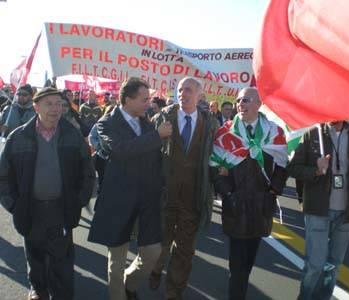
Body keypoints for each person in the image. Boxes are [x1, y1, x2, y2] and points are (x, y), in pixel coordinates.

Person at [0, 87, 95, 300]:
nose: (55, 109)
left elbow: (88, 174)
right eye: (49, 104)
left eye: (59, 104)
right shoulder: (18, 137)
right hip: (30, 209)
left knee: (62, 262)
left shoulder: (73, 136)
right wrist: (14, 205)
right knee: (35, 256)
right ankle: (38, 290)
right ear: (36, 107)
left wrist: (78, 200)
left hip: (61, 209)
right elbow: (3, 176)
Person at [88, 77, 173, 300]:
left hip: (147, 200)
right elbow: (120, 151)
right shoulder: (105, 124)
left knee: (153, 252)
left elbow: (153, 160)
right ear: (128, 99)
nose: (149, 103)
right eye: (144, 99)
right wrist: (156, 136)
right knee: (116, 261)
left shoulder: (147, 124)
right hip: (119, 200)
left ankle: (131, 283)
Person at [287, 121, 349, 300]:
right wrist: (316, 170)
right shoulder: (312, 135)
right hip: (317, 211)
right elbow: (293, 168)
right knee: (315, 264)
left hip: (345, 214)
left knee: (333, 265)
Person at [210, 87, 288, 300]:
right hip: (236, 205)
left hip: (262, 206)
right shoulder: (226, 132)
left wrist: (274, 190)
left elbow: (282, 164)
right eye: (238, 100)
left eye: (245, 100)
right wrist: (227, 193)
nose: (240, 104)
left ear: (258, 104)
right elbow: (214, 166)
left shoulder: (274, 132)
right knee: (237, 263)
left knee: (249, 259)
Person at [150, 77, 219, 300]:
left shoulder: (210, 123)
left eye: (188, 90)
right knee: (161, 243)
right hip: (164, 195)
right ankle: (155, 268)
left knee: (184, 249)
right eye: (180, 90)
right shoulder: (162, 117)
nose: (183, 94)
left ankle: (174, 291)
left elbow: (217, 156)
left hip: (193, 197)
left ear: (200, 94)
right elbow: (148, 149)